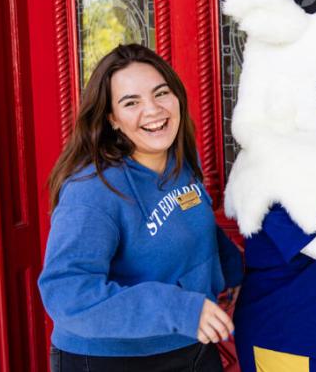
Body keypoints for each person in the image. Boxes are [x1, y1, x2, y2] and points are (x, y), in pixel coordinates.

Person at [38, 44, 244, 371]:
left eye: (160, 93)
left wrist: (231, 269)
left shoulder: (181, 164)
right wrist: (180, 309)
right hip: (112, 358)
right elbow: (67, 292)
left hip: (189, 342)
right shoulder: (92, 190)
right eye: (131, 102)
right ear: (112, 120)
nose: (153, 110)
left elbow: (191, 222)